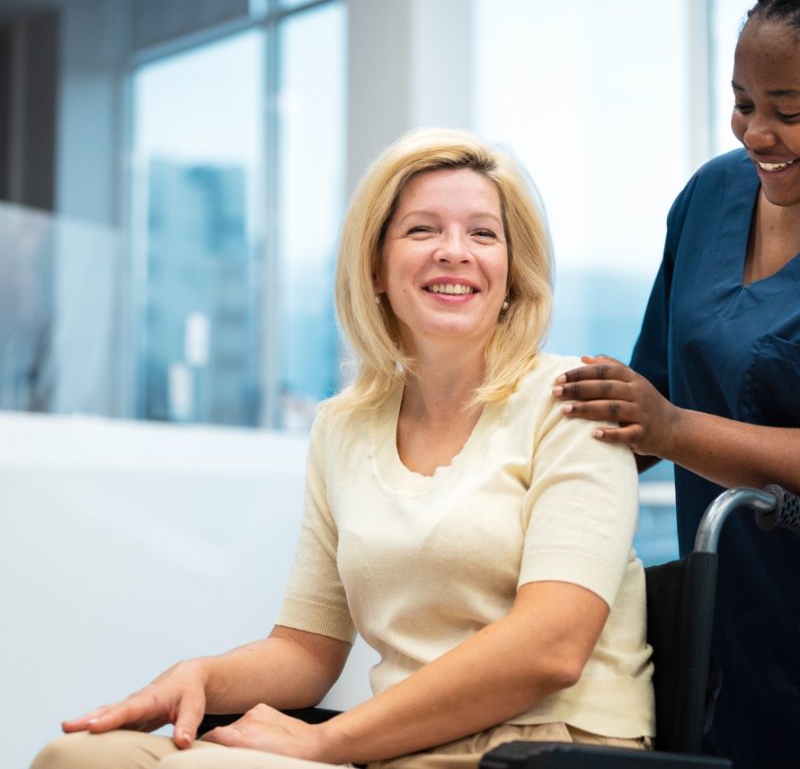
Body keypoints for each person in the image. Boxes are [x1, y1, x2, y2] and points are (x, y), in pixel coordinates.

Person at [32, 129, 654, 769]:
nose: (454, 252)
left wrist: (328, 741)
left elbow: (549, 648)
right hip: (400, 748)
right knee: (75, 757)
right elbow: (307, 650)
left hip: (547, 749)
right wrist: (199, 679)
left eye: (482, 234)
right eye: (421, 230)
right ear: (376, 268)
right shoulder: (343, 428)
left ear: (512, 273)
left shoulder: (574, 402)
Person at [551, 0, 800, 769]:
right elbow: (647, 411)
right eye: (742, 102)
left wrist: (675, 425)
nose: (756, 133)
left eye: (789, 112)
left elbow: (671, 421)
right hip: (729, 624)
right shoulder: (711, 197)